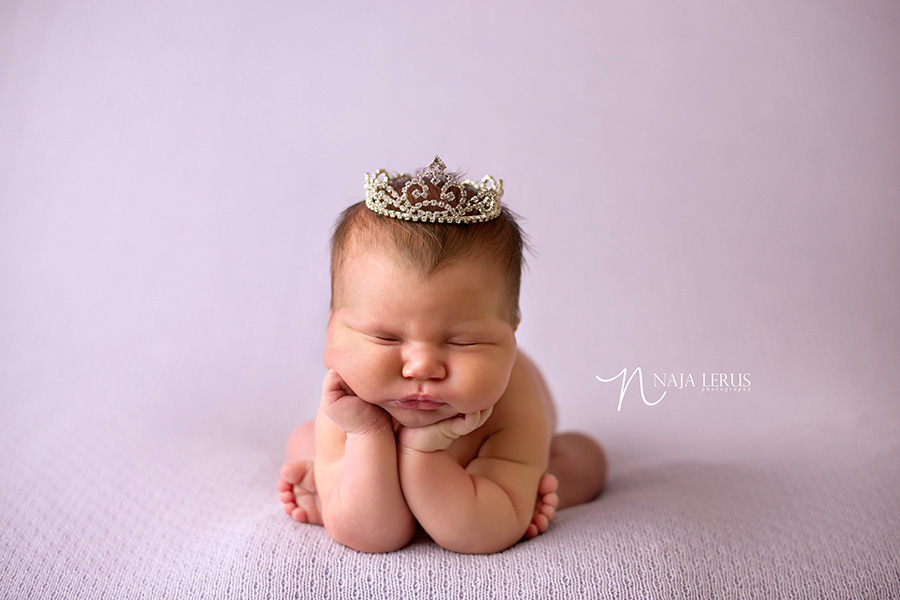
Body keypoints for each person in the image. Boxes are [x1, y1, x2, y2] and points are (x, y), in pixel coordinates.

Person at [277, 157, 606, 554]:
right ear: (332, 329)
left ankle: (525, 493)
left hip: (484, 476)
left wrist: (422, 455)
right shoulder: (349, 398)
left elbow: (481, 533)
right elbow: (373, 536)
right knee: (303, 439)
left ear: (512, 332)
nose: (422, 367)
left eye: (463, 342)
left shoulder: (512, 403)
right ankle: (338, 480)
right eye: (384, 337)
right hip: (376, 459)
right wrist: (367, 434)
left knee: (584, 461)